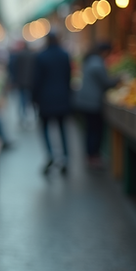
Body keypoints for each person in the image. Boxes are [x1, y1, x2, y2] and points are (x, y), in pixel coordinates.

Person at [75, 42, 120, 167]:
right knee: (95, 130)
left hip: (84, 101)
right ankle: (93, 156)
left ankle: (90, 155)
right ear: (105, 51)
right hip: (92, 102)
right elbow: (106, 82)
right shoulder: (98, 63)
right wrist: (118, 79)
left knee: (90, 130)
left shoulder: (90, 60)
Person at [32, 34, 72, 174]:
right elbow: (68, 77)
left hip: (45, 99)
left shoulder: (41, 56)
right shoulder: (65, 55)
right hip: (62, 98)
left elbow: (36, 80)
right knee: (62, 129)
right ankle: (65, 157)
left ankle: (50, 154)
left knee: (45, 129)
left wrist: (34, 99)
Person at [9, 41, 36, 124]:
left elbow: (14, 68)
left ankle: (22, 116)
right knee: (28, 100)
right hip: (30, 82)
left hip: (21, 82)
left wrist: (14, 79)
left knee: (21, 100)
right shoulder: (33, 56)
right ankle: (29, 117)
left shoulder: (19, 56)